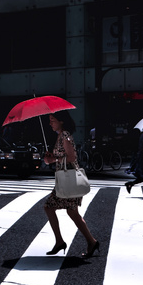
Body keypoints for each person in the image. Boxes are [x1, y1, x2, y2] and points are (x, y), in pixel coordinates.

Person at [42, 110, 99, 257]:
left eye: (52, 120)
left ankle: (61, 241)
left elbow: (72, 157)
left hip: (68, 180)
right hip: (66, 180)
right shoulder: (61, 136)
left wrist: (53, 160)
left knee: (49, 208)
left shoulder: (65, 136)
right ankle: (91, 242)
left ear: (61, 121)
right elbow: (64, 155)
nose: (50, 123)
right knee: (72, 212)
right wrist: (52, 157)